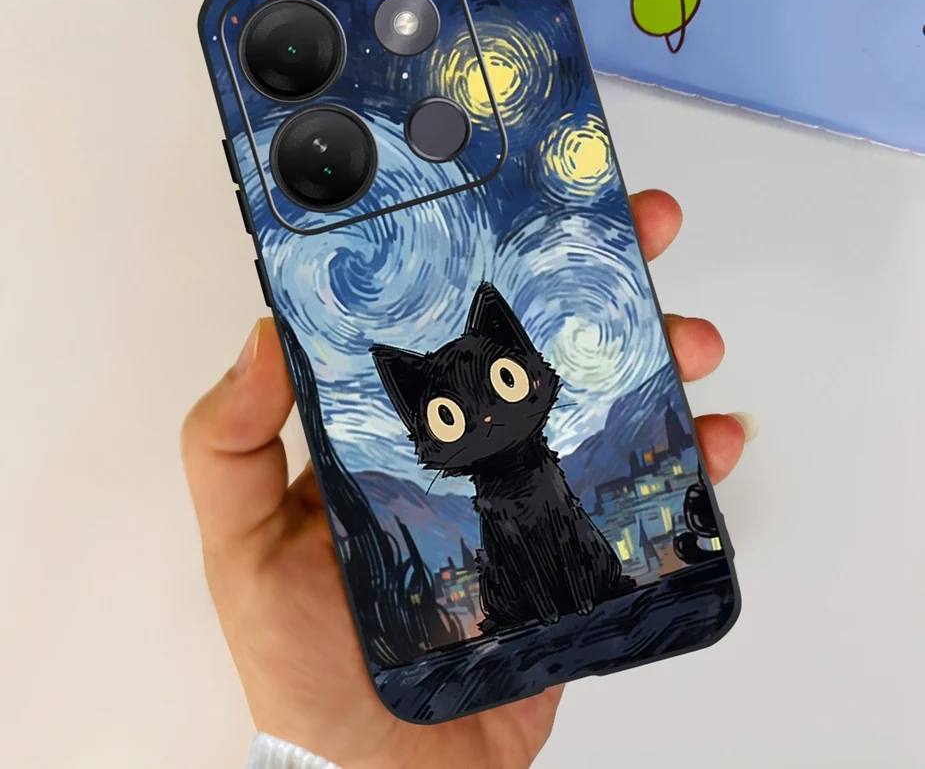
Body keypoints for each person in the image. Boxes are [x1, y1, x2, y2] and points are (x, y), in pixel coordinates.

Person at [181, 190, 758, 769]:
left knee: (568, 529)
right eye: (451, 417)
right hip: (506, 603)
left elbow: (569, 534)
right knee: (519, 550)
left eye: (504, 382)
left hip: (572, 574)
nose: (486, 419)